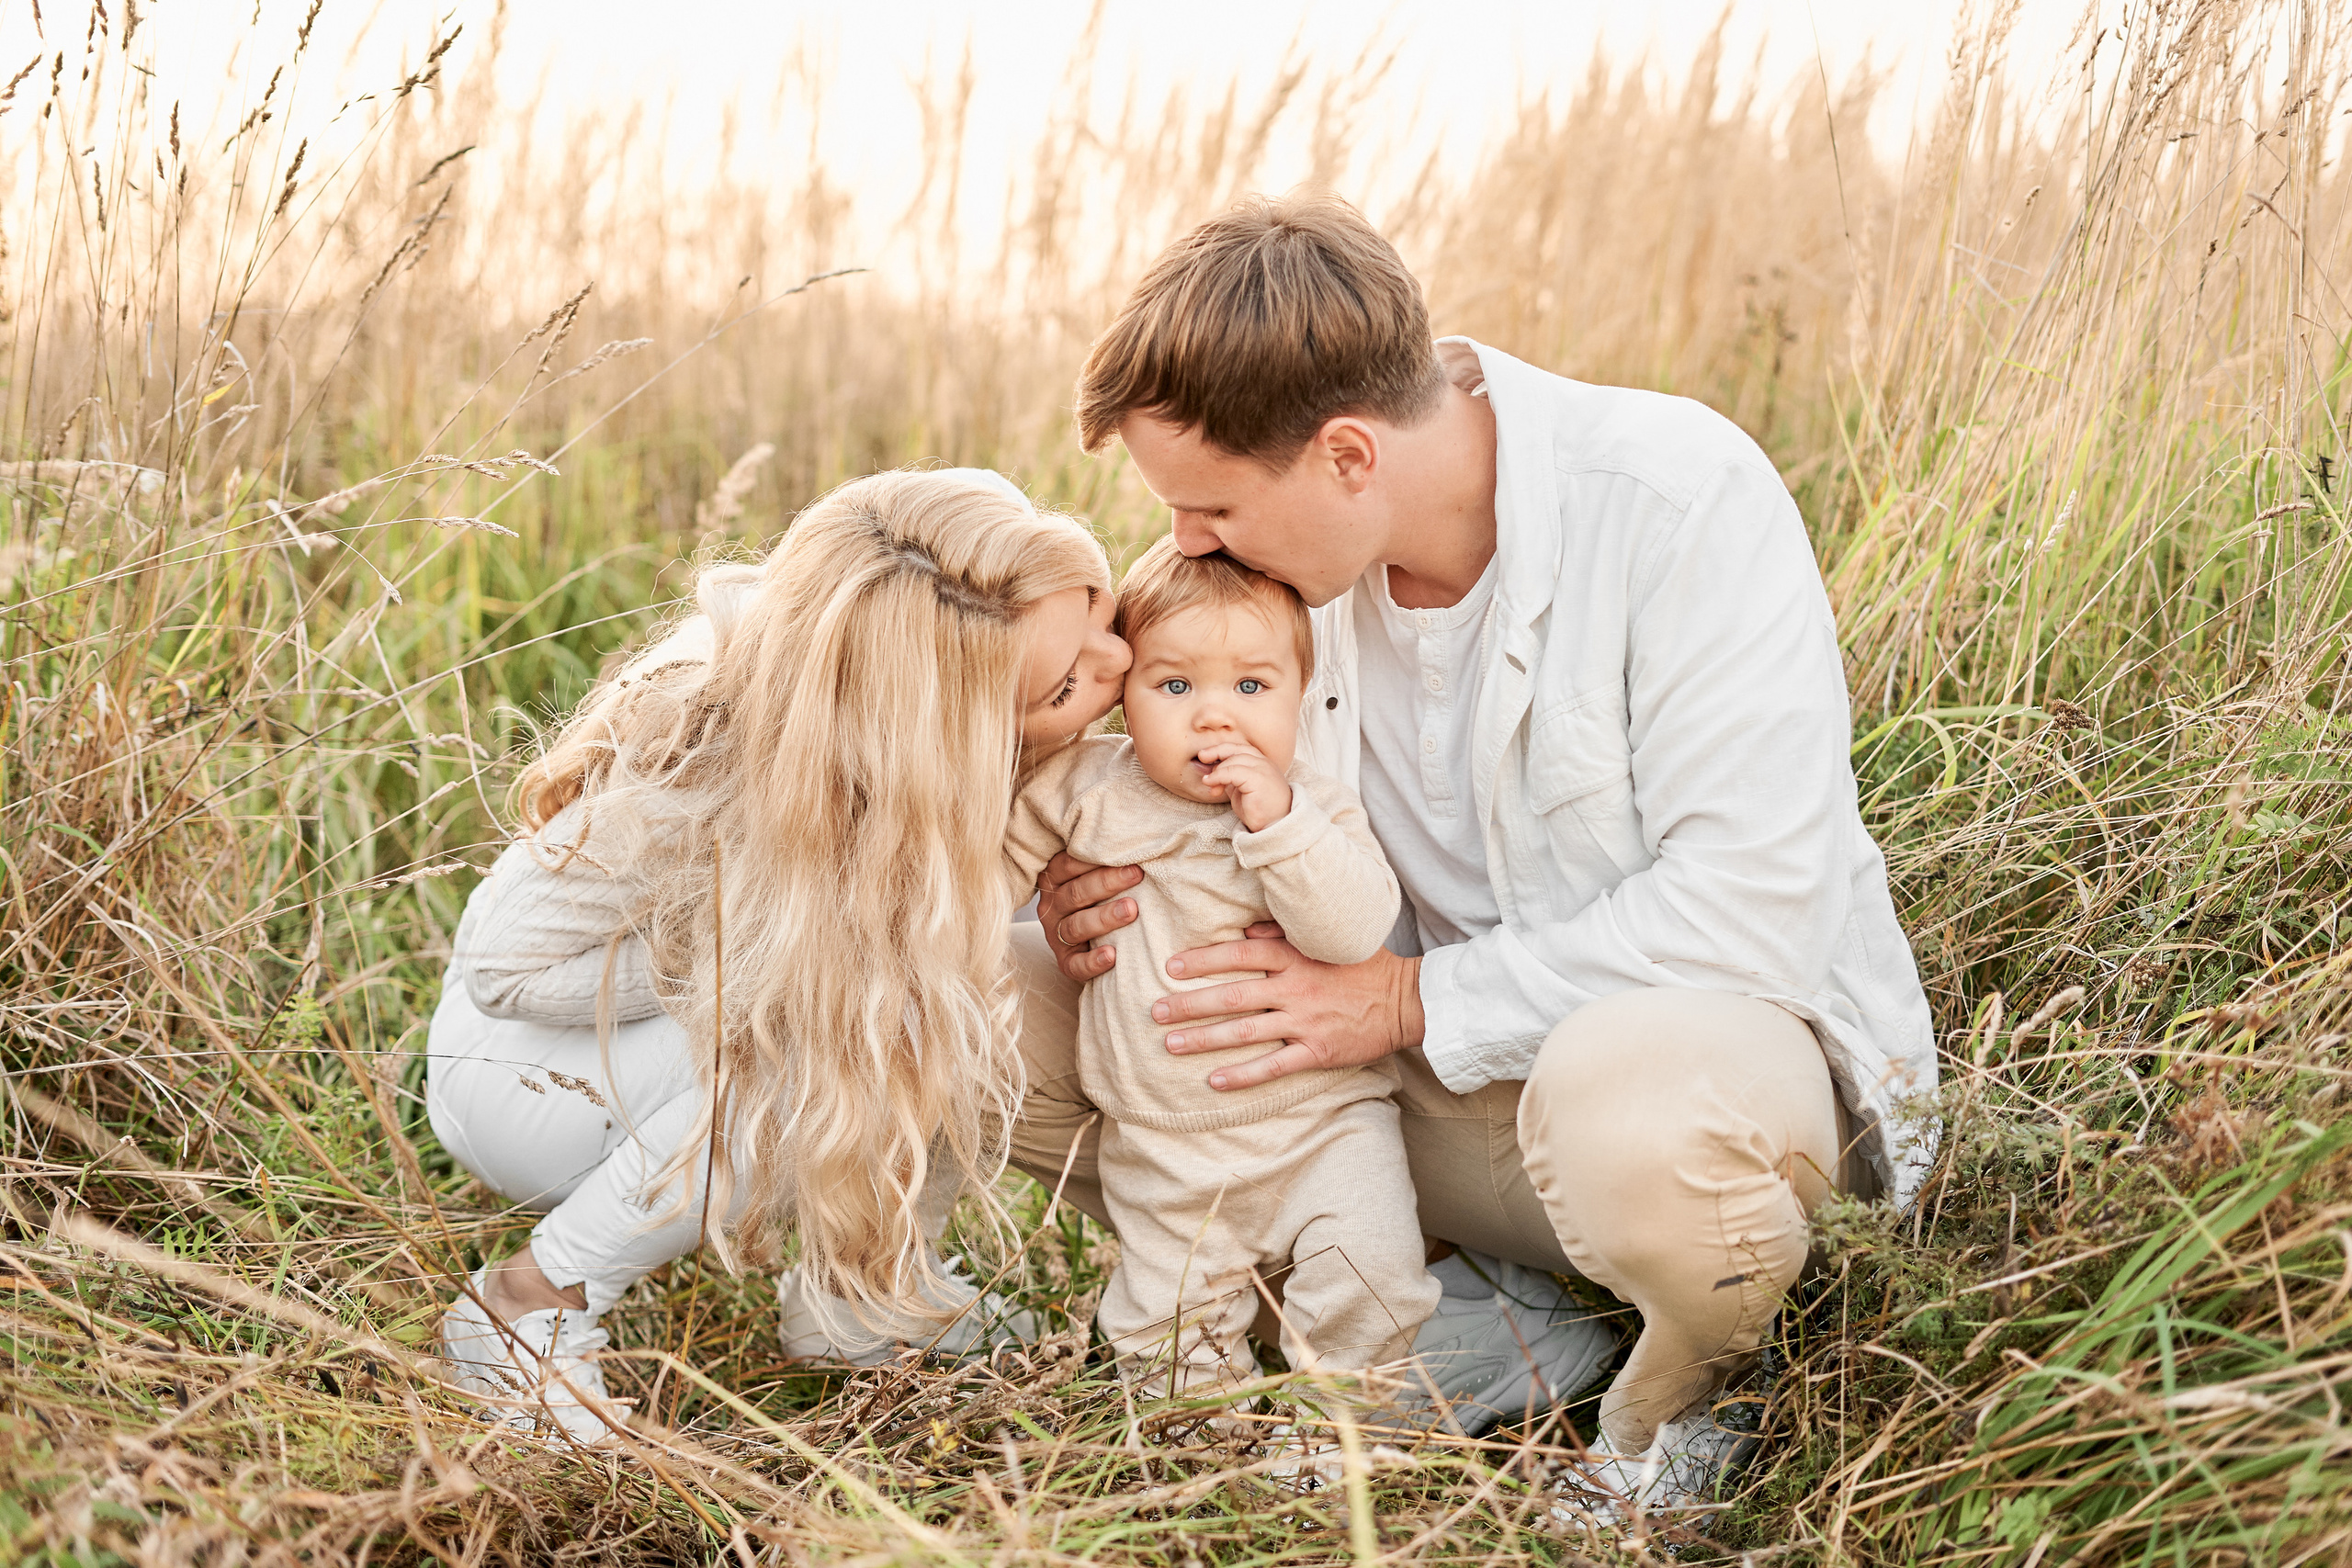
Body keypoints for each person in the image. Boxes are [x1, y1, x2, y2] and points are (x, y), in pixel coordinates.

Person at [1031, 193, 1939, 1513]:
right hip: (1414, 1111)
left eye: (1209, 505)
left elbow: (1752, 909)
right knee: (1001, 998)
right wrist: (1098, 888)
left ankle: (1693, 1391)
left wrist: (1401, 999)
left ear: (1348, 456)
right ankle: (1465, 1313)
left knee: (1622, 1090)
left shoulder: (1678, 496)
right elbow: (1163, 757)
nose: (1182, 545)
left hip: (1698, 1100)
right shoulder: (1283, 583)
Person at [429, 468, 1131, 1441]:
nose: (1119, 661)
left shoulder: (956, 632)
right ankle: (527, 1305)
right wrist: (767, 955)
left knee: (931, 967)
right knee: (858, 995)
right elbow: (500, 970)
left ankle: (864, 1299)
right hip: (524, 1077)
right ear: (942, 726)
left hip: (663, 1035)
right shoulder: (708, 751)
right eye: (1066, 685)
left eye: (1098, 609)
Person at [1003, 538, 1438, 1404]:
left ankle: (1344, 1433)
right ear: (1123, 698)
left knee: (1374, 1277)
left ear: (1300, 696)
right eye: (1175, 686)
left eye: (1251, 687)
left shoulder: (1311, 804)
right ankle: (1207, 1447)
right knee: (1168, 1331)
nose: (1215, 718)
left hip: (1325, 1124)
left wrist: (1279, 825)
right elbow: (989, 872)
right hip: (1162, 1140)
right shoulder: (1087, 786)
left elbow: (1355, 930)